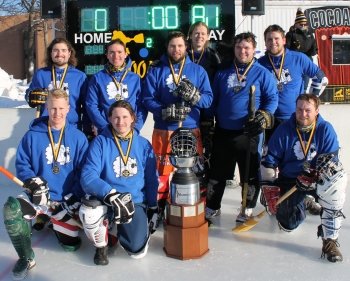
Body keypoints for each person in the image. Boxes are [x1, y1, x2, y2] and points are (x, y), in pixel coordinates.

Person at [3, 89, 88, 280]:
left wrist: (73, 196)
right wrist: (33, 183)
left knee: (70, 245)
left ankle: (54, 222)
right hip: (39, 197)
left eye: (60, 108)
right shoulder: (32, 135)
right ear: (46, 108)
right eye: (52, 108)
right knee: (11, 209)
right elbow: (23, 165)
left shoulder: (79, 138)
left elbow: (84, 172)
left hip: (65, 202)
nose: (57, 113)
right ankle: (26, 257)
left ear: (68, 109)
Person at [260, 94, 346, 263]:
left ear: (317, 111)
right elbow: (269, 160)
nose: (303, 114)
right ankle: (303, 202)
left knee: (336, 183)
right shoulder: (284, 129)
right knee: (287, 225)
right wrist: (269, 187)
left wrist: (313, 177)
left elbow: (331, 161)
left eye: (308, 110)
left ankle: (330, 241)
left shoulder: (325, 129)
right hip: (290, 180)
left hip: (318, 179)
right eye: (300, 109)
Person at [205, 32, 278, 223]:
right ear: (234, 49)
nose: (242, 51)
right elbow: (213, 100)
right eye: (239, 47)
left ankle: (247, 208)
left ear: (254, 49)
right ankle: (213, 207)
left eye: (247, 47)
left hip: (249, 133)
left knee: (249, 174)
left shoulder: (263, 73)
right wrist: (207, 121)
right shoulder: (223, 71)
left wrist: (263, 116)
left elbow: (272, 99)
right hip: (223, 131)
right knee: (217, 172)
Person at [79, 100, 159, 265]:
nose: (120, 122)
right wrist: (110, 194)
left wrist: (152, 206)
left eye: (124, 117)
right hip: (107, 199)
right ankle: (101, 246)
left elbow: (151, 179)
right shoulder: (100, 142)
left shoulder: (144, 145)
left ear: (132, 119)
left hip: (133, 201)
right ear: (109, 118)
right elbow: (88, 176)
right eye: (116, 117)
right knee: (89, 211)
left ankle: (115, 230)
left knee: (137, 251)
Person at [142, 31, 213, 215]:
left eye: (180, 46)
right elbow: (147, 98)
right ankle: (159, 210)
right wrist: (162, 110)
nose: (176, 49)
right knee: (162, 174)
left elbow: (208, 99)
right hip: (163, 130)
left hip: (189, 130)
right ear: (167, 47)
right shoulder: (156, 70)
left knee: (193, 173)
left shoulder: (198, 71)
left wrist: (195, 97)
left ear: (186, 47)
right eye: (172, 46)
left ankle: (196, 210)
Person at [258, 24, 328, 142]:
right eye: (269, 39)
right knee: (270, 157)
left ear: (284, 40)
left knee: (294, 156)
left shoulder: (298, 58)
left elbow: (321, 79)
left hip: (294, 118)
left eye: (276, 39)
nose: (273, 42)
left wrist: (311, 99)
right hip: (269, 119)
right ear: (265, 42)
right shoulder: (260, 63)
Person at [25, 38, 90, 135]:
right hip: (46, 127)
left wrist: (87, 128)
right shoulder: (41, 74)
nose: (59, 54)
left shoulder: (79, 76)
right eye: (55, 50)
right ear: (50, 53)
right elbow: (28, 96)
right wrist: (31, 96)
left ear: (69, 53)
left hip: (71, 128)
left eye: (63, 50)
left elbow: (86, 106)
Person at [187, 21, 222, 190]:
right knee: (187, 150)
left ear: (208, 37)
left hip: (207, 111)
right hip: (187, 113)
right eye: (196, 33)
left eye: (203, 33)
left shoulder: (213, 56)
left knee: (205, 153)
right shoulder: (183, 54)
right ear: (190, 35)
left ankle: (205, 190)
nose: (199, 36)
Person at [85, 39, 147, 135]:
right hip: (106, 132)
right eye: (112, 52)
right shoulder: (97, 78)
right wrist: (104, 127)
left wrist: (136, 128)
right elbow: (91, 105)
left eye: (119, 52)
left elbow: (141, 105)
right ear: (107, 55)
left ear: (125, 54)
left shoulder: (135, 79)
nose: (116, 56)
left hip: (129, 131)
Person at [286, 8, 318, 90]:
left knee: (305, 82)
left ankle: (303, 96)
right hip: (295, 60)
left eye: (304, 24)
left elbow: (314, 47)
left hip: (307, 59)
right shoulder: (291, 34)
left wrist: (314, 51)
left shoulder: (310, 34)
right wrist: (296, 50)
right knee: (295, 81)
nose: (303, 26)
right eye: (300, 24)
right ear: (296, 24)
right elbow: (287, 48)